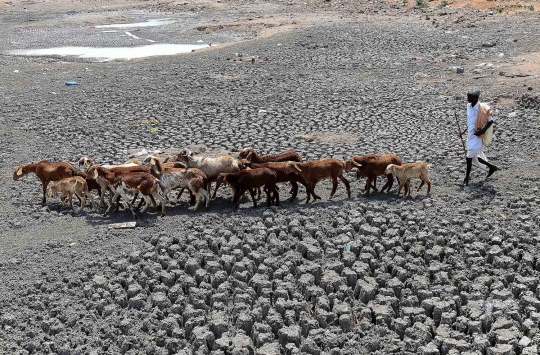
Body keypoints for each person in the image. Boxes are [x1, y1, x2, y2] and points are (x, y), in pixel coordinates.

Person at [462, 87, 499, 186]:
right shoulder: (468, 106)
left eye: (469, 97)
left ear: (475, 98)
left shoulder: (484, 109)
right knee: (473, 156)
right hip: (470, 135)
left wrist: (482, 131)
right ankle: (491, 167)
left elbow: (491, 121)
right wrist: (464, 131)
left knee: (469, 157)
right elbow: (470, 121)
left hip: (478, 136)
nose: (467, 99)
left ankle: (467, 178)